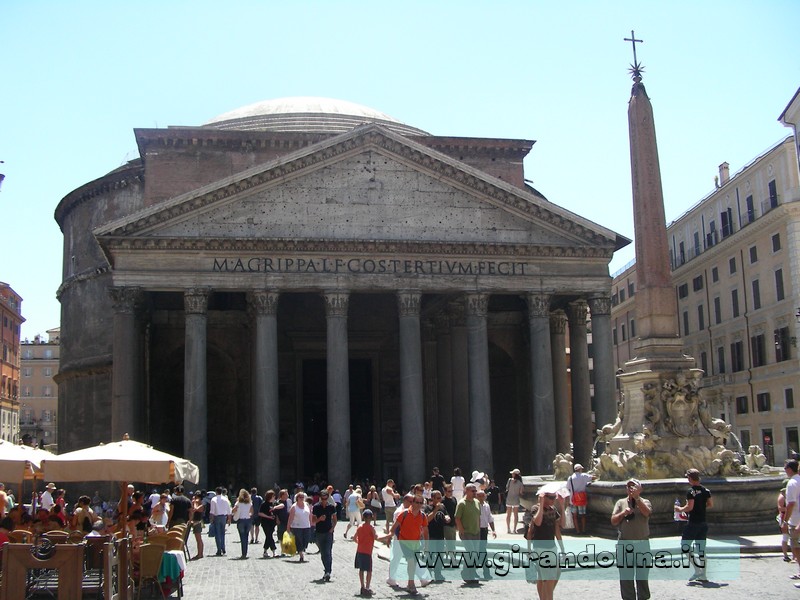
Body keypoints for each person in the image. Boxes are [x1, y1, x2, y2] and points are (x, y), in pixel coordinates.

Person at [611, 478, 652, 600]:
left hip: (642, 544)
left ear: (640, 489)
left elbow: (647, 513)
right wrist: (623, 513)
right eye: (629, 486)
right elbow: (613, 521)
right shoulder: (620, 503)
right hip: (625, 544)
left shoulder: (645, 501)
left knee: (642, 576)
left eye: (634, 487)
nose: (631, 489)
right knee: (626, 577)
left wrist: (637, 499)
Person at [675, 468, 713, 583]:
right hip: (703, 523)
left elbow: (690, 507)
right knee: (701, 549)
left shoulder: (690, 491)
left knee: (685, 546)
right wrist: (701, 507)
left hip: (693, 523)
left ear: (690, 478)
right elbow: (710, 504)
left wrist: (679, 509)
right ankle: (704, 575)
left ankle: (697, 570)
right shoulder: (706, 490)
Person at [526, 490, 565, 600]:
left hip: (552, 547)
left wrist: (562, 505)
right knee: (548, 578)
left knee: (554, 575)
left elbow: (561, 526)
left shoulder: (553, 510)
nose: (553, 499)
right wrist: (541, 503)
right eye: (551, 497)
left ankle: (544, 597)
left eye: (554, 497)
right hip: (540, 548)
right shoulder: (535, 508)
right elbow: (537, 523)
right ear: (544, 497)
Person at [391, 493, 430, 595]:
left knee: (413, 564)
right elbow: (394, 527)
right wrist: (389, 537)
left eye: (421, 503)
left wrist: (426, 546)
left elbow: (425, 531)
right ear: (412, 502)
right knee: (411, 562)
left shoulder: (422, 516)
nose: (419, 504)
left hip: (415, 543)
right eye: (417, 502)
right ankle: (411, 584)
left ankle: (409, 583)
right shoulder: (404, 514)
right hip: (404, 541)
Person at [455, 483, 481, 584]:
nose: (475, 493)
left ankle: (472, 573)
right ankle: (466, 572)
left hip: (476, 531)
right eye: (473, 491)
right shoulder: (462, 503)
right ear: (466, 491)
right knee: (471, 552)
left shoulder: (477, 502)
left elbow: (478, 516)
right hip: (466, 532)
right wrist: (461, 530)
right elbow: (457, 518)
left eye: (475, 491)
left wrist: (478, 528)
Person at [353, 509, 381, 596]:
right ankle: (367, 588)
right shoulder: (371, 528)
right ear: (371, 518)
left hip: (359, 551)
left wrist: (360, 542)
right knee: (369, 570)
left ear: (363, 517)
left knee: (361, 570)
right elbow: (376, 537)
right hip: (367, 552)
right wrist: (387, 537)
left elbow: (354, 538)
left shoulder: (360, 527)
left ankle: (362, 587)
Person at [312, 489, 338, 581]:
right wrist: (319, 519)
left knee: (328, 551)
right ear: (320, 498)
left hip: (328, 532)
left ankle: (328, 571)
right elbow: (313, 521)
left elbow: (335, 519)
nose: (324, 500)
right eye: (322, 498)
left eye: (325, 498)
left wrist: (332, 529)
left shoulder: (331, 507)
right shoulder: (316, 507)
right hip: (319, 532)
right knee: (323, 553)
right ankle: (326, 569)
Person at [783, 460, 800, 580]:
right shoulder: (798, 480)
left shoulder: (792, 483)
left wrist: (785, 521)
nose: (784, 471)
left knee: (796, 548)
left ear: (789, 469)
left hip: (795, 520)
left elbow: (791, 504)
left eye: (785, 468)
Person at [287, 491, 313, 562]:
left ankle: (301, 550)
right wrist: (288, 527)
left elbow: (310, 514)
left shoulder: (307, 505)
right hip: (296, 527)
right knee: (299, 541)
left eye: (303, 497)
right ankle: (301, 554)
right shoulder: (294, 507)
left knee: (306, 540)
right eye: (300, 497)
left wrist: (311, 523)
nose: (302, 498)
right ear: (297, 498)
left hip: (306, 526)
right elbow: (290, 518)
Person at [568, 463, 593, 534]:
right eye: (581, 469)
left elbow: (567, 488)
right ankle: (584, 529)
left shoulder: (570, 478)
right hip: (581, 498)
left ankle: (577, 531)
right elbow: (593, 477)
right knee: (583, 515)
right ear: (580, 469)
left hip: (573, 499)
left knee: (574, 516)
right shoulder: (583, 476)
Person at [477, 489, 496, 580]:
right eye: (479, 496)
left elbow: (490, 518)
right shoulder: (474, 505)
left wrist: (493, 530)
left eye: (482, 496)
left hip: (484, 530)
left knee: (483, 551)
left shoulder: (486, 506)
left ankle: (486, 572)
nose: (481, 498)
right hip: (476, 531)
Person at [209, 486, 232, 556]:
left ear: (216, 492)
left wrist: (211, 519)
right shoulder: (225, 499)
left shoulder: (213, 499)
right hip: (223, 517)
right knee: (223, 533)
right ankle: (223, 548)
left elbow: (212, 511)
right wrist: (229, 519)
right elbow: (229, 510)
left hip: (216, 517)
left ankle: (219, 549)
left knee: (217, 534)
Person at [232, 488, 254, 559]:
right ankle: (245, 553)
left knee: (242, 538)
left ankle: (243, 553)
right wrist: (248, 515)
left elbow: (233, 510)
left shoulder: (238, 503)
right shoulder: (250, 503)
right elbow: (252, 512)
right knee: (246, 536)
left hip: (241, 521)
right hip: (248, 521)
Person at [506, 468, 525, 533]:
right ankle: (514, 529)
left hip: (509, 498)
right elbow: (521, 492)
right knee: (515, 515)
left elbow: (507, 488)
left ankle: (508, 528)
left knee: (508, 514)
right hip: (516, 499)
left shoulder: (509, 480)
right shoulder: (520, 483)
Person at [274, 489, 290, 556]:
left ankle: (285, 550)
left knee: (287, 535)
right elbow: (275, 513)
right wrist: (277, 519)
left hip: (288, 520)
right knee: (281, 535)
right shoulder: (277, 502)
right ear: (282, 495)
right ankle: (283, 550)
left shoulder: (288, 501)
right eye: (286, 494)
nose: (287, 495)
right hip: (281, 521)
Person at [189, 491, 205, 560]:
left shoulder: (201, 505)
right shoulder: (197, 504)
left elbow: (195, 509)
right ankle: (199, 553)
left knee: (199, 539)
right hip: (195, 522)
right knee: (197, 539)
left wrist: (195, 502)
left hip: (198, 523)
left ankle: (200, 554)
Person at [778, 486, 791, 562]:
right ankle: (785, 555)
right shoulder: (782, 497)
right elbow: (780, 508)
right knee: (785, 537)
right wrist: (791, 508)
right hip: (784, 517)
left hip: (790, 516)